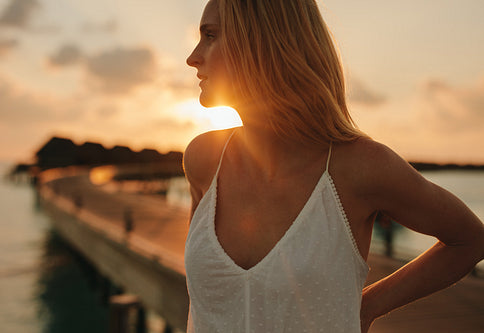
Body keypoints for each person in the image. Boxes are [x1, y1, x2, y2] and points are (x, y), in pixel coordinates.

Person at [183, 0, 484, 332]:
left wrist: (366, 306)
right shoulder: (204, 159)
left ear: (264, 40)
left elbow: (470, 239)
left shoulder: (359, 167)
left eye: (210, 35)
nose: (193, 56)